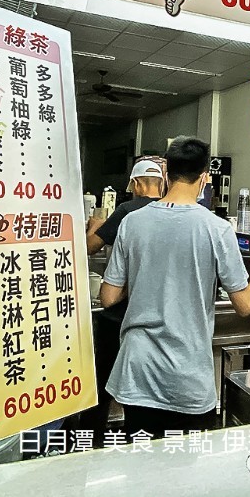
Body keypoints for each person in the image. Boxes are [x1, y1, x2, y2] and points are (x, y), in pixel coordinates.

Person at [101, 136, 250, 438]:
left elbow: (108, 296)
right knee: (185, 478)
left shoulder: (132, 222)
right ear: (205, 177)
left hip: (138, 372)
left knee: (140, 471)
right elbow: (245, 305)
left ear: (167, 172)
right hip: (187, 376)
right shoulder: (218, 229)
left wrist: (145, 275)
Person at [78, 156, 165, 445]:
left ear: (137, 184)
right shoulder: (170, 211)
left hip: (120, 314)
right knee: (144, 388)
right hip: (154, 313)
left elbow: (89, 248)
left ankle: (91, 439)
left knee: (101, 380)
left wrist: (96, 225)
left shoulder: (127, 210)